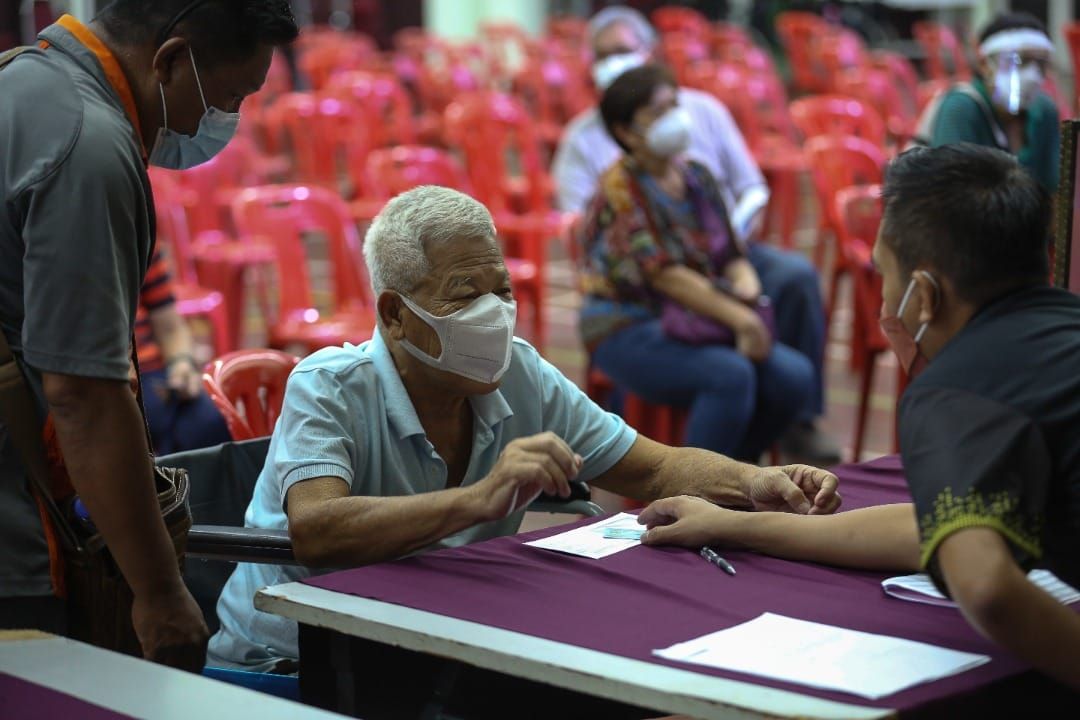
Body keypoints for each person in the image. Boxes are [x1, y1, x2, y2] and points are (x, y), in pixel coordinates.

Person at [208, 185, 843, 671]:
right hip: (294, 663)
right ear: (396, 315)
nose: (493, 315)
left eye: (501, 289)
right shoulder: (329, 384)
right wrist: (480, 501)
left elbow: (650, 467)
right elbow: (317, 530)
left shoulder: (520, 373)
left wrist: (755, 481)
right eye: (463, 295)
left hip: (429, 641)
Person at [638, 144, 1080, 690]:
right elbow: (933, 528)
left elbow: (984, 585)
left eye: (884, 274)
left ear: (923, 294)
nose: (883, 300)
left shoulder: (956, 389)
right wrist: (732, 524)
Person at [0, 1, 297, 669]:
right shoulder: (88, 143)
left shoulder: (20, 82)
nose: (214, 123)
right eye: (227, 97)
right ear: (169, 60)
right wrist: (160, 592)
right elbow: (83, 395)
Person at [551, 5, 838, 464]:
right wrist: (741, 319)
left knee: (793, 376)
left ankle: (736, 475)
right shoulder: (620, 190)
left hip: (692, 310)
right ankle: (689, 491)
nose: (673, 120)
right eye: (657, 113)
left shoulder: (695, 176)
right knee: (731, 374)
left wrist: (748, 285)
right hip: (631, 320)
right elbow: (664, 276)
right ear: (626, 130)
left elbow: (730, 248)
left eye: (673, 108)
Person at [926, 12, 1058, 193]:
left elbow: (1054, 189)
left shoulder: (1045, 110)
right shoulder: (961, 107)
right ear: (984, 64)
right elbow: (951, 198)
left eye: (1041, 64)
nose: (1033, 77)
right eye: (1020, 60)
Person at [136, 248, 231, 455]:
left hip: (152, 374)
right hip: (110, 379)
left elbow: (170, 326)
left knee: (211, 421)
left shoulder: (139, 237)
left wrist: (181, 363)